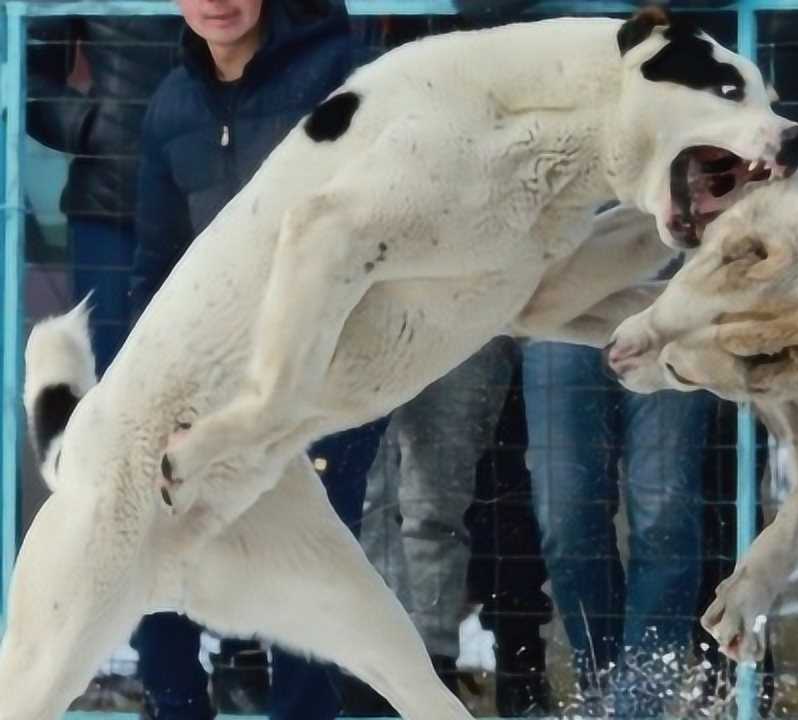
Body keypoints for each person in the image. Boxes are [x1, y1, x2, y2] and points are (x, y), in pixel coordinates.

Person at [127, 1, 382, 718]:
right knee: (158, 538)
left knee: (312, 562)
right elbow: (155, 262)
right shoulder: (171, 102)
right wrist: (143, 390)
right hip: (205, 376)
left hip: (327, 370)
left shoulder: (339, 73)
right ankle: (175, 707)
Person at [523, 334, 715, 718]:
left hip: (669, 317)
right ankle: (598, 688)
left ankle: (643, 703)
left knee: (665, 516)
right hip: (563, 322)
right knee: (564, 517)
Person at [358, 336, 552, 716]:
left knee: (434, 505)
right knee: (370, 505)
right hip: (370, 327)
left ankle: (433, 668)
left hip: (465, 326)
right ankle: (374, 666)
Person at [27, 14, 183, 372]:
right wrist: (91, 127)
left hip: (221, 199)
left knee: (214, 377)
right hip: (110, 205)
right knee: (107, 375)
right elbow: (23, 76)